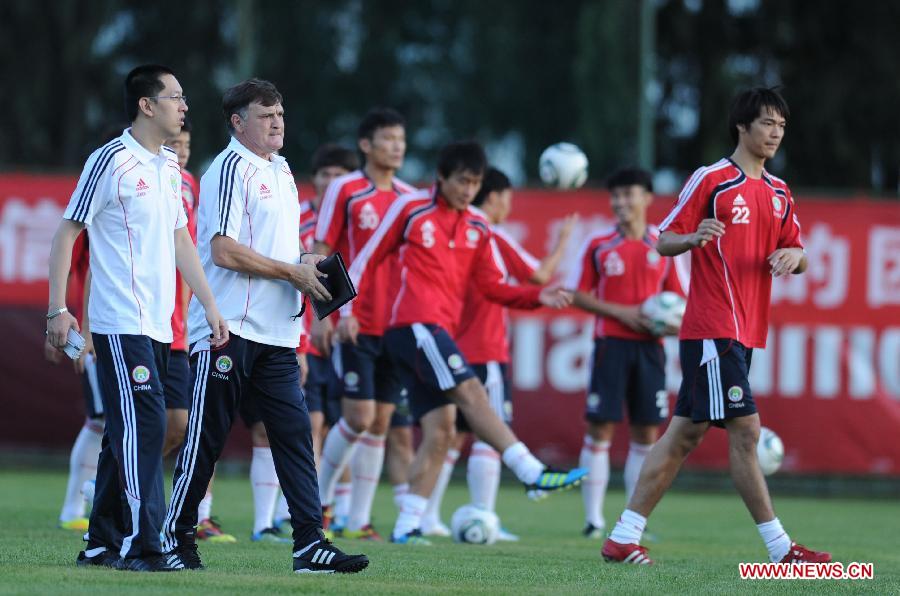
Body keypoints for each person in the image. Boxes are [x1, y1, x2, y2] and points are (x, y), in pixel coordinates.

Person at [602, 87, 831, 565]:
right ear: (742, 127)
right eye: (767, 123)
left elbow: (802, 253)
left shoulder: (779, 192)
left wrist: (796, 256)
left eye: (782, 126)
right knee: (746, 431)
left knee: (683, 435)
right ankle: (781, 549)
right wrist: (693, 237)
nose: (775, 133)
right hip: (712, 328)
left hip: (745, 333)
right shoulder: (712, 179)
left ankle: (623, 536)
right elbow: (662, 240)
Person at [162, 78, 368, 574]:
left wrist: (305, 263)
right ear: (238, 122)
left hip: (275, 333)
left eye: (279, 112)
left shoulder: (281, 169)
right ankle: (175, 538)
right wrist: (290, 271)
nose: (277, 121)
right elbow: (222, 250)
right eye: (265, 114)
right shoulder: (230, 167)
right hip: (229, 327)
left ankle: (309, 544)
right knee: (205, 440)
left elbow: (272, 249)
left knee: (295, 435)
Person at [344, 141, 587, 544]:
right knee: (473, 392)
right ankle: (532, 472)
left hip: (434, 333)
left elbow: (493, 286)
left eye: (474, 183)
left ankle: (407, 527)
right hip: (413, 326)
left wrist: (534, 297)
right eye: (461, 181)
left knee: (440, 431)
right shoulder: (411, 210)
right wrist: (347, 312)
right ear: (441, 177)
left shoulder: (477, 225)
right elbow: (364, 259)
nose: (468, 190)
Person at [47, 64, 228, 572]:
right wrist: (57, 309)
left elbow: (179, 240)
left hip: (158, 324)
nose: (184, 105)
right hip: (119, 320)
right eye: (175, 96)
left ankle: (101, 543)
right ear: (147, 105)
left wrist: (209, 303)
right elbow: (67, 233)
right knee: (145, 425)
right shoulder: (110, 160)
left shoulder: (170, 165)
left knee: (125, 433)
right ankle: (143, 544)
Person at [419, 167, 577, 539]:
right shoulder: (487, 233)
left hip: (452, 344)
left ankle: (425, 517)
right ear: (493, 198)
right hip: (485, 348)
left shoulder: (452, 232)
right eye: (506, 197)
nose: (508, 206)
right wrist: (563, 242)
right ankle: (484, 514)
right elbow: (538, 276)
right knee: (492, 433)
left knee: (451, 437)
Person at [311, 108, 416, 541]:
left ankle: (360, 519)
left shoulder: (411, 198)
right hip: (355, 321)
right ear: (366, 145)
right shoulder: (345, 189)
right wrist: (327, 313)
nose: (396, 146)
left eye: (401, 139)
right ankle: (318, 504)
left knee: (380, 422)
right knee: (357, 416)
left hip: (394, 324)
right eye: (387, 138)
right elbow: (321, 247)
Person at [565, 167, 686, 539]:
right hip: (611, 346)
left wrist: (669, 322)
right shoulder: (599, 245)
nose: (621, 202)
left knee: (645, 433)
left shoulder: (663, 246)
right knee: (599, 427)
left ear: (647, 198)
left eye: (629, 194)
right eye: (616, 196)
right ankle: (593, 520)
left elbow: (680, 301)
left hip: (650, 350)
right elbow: (578, 293)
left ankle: (633, 520)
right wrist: (623, 313)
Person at [268, 144, 360, 540]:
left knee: (351, 421)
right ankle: (290, 512)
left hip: (346, 331)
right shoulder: (297, 216)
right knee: (312, 422)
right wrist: (314, 323)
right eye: (326, 174)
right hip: (303, 330)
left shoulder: (361, 219)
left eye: (341, 175)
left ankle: (337, 508)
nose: (332, 181)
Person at [165, 119, 236, 544]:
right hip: (141, 321)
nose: (182, 149)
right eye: (174, 141)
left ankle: (197, 515)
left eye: (187, 142)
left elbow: (192, 248)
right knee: (124, 425)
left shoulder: (193, 183)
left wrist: (209, 306)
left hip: (184, 324)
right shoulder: (133, 173)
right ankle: (118, 493)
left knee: (189, 423)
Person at [53, 232, 103, 532]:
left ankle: (92, 497)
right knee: (102, 418)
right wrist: (61, 316)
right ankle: (74, 507)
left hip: (137, 327)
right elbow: (68, 266)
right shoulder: (89, 218)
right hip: (95, 331)